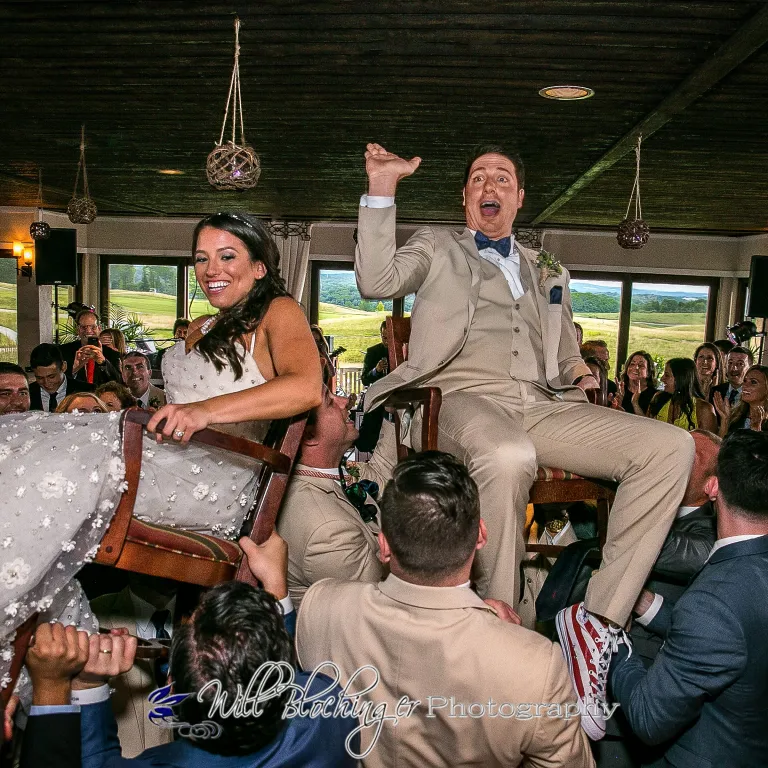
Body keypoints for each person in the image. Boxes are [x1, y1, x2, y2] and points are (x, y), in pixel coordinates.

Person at [354, 142, 694, 738]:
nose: (491, 183)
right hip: (455, 395)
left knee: (671, 447)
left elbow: (561, 353)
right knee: (509, 456)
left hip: (538, 402)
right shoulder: (438, 246)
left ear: (518, 198)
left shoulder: (549, 268)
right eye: (479, 177)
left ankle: (599, 622)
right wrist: (382, 188)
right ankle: (500, 629)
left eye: (503, 177)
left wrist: (580, 375)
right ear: (466, 200)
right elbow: (374, 278)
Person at [0, 211, 322, 695]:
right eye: (202, 259)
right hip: (168, 459)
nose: (212, 269)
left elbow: (306, 386)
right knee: (19, 444)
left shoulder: (279, 310)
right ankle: (38, 661)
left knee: (46, 459)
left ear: (259, 267)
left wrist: (203, 412)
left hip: (213, 479)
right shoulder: (212, 322)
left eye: (228, 256)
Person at [298, 451, 593, 767]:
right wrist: (504, 639)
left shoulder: (322, 608)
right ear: (481, 536)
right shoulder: (536, 666)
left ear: (383, 545)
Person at [609, 431, 768, 767]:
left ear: (713, 488)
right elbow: (736, 637)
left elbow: (648, 717)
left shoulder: (716, 598)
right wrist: (648, 605)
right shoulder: (744, 577)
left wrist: (612, 643)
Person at [276, 386, 386, 608]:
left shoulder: (325, 472)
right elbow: (378, 603)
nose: (345, 401)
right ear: (309, 436)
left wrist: (393, 409)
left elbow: (384, 473)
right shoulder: (327, 530)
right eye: (330, 401)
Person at [648, 358, 717, 432]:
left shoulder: (704, 410)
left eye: (667, 375)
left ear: (681, 378)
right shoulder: (658, 398)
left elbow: (709, 442)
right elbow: (647, 428)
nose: (662, 379)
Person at [59, 309, 122, 386]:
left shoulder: (112, 354)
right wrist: (75, 369)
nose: (88, 331)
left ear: (99, 329)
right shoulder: (63, 351)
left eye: (93, 327)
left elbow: (119, 382)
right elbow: (56, 381)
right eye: (84, 327)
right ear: (78, 330)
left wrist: (103, 362)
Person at [28, 343, 94, 412]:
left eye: (51, 377)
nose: (46, 383)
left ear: (63, 367)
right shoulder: (27, 394)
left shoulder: (87, 391)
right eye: (40, 378)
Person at [714, 364, 768, 435]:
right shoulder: (736, 415)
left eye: (753, 382)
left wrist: (756, 428)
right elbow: (721, 445)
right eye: (745, 381)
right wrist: (725, 419)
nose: (744, 385)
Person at [611, 350, 656, 416]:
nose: (636, 367)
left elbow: (648, 424)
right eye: (632, 364)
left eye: (641, 365)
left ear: (649, 372)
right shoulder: (618, 390)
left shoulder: (655, 396)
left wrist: (635, 403)